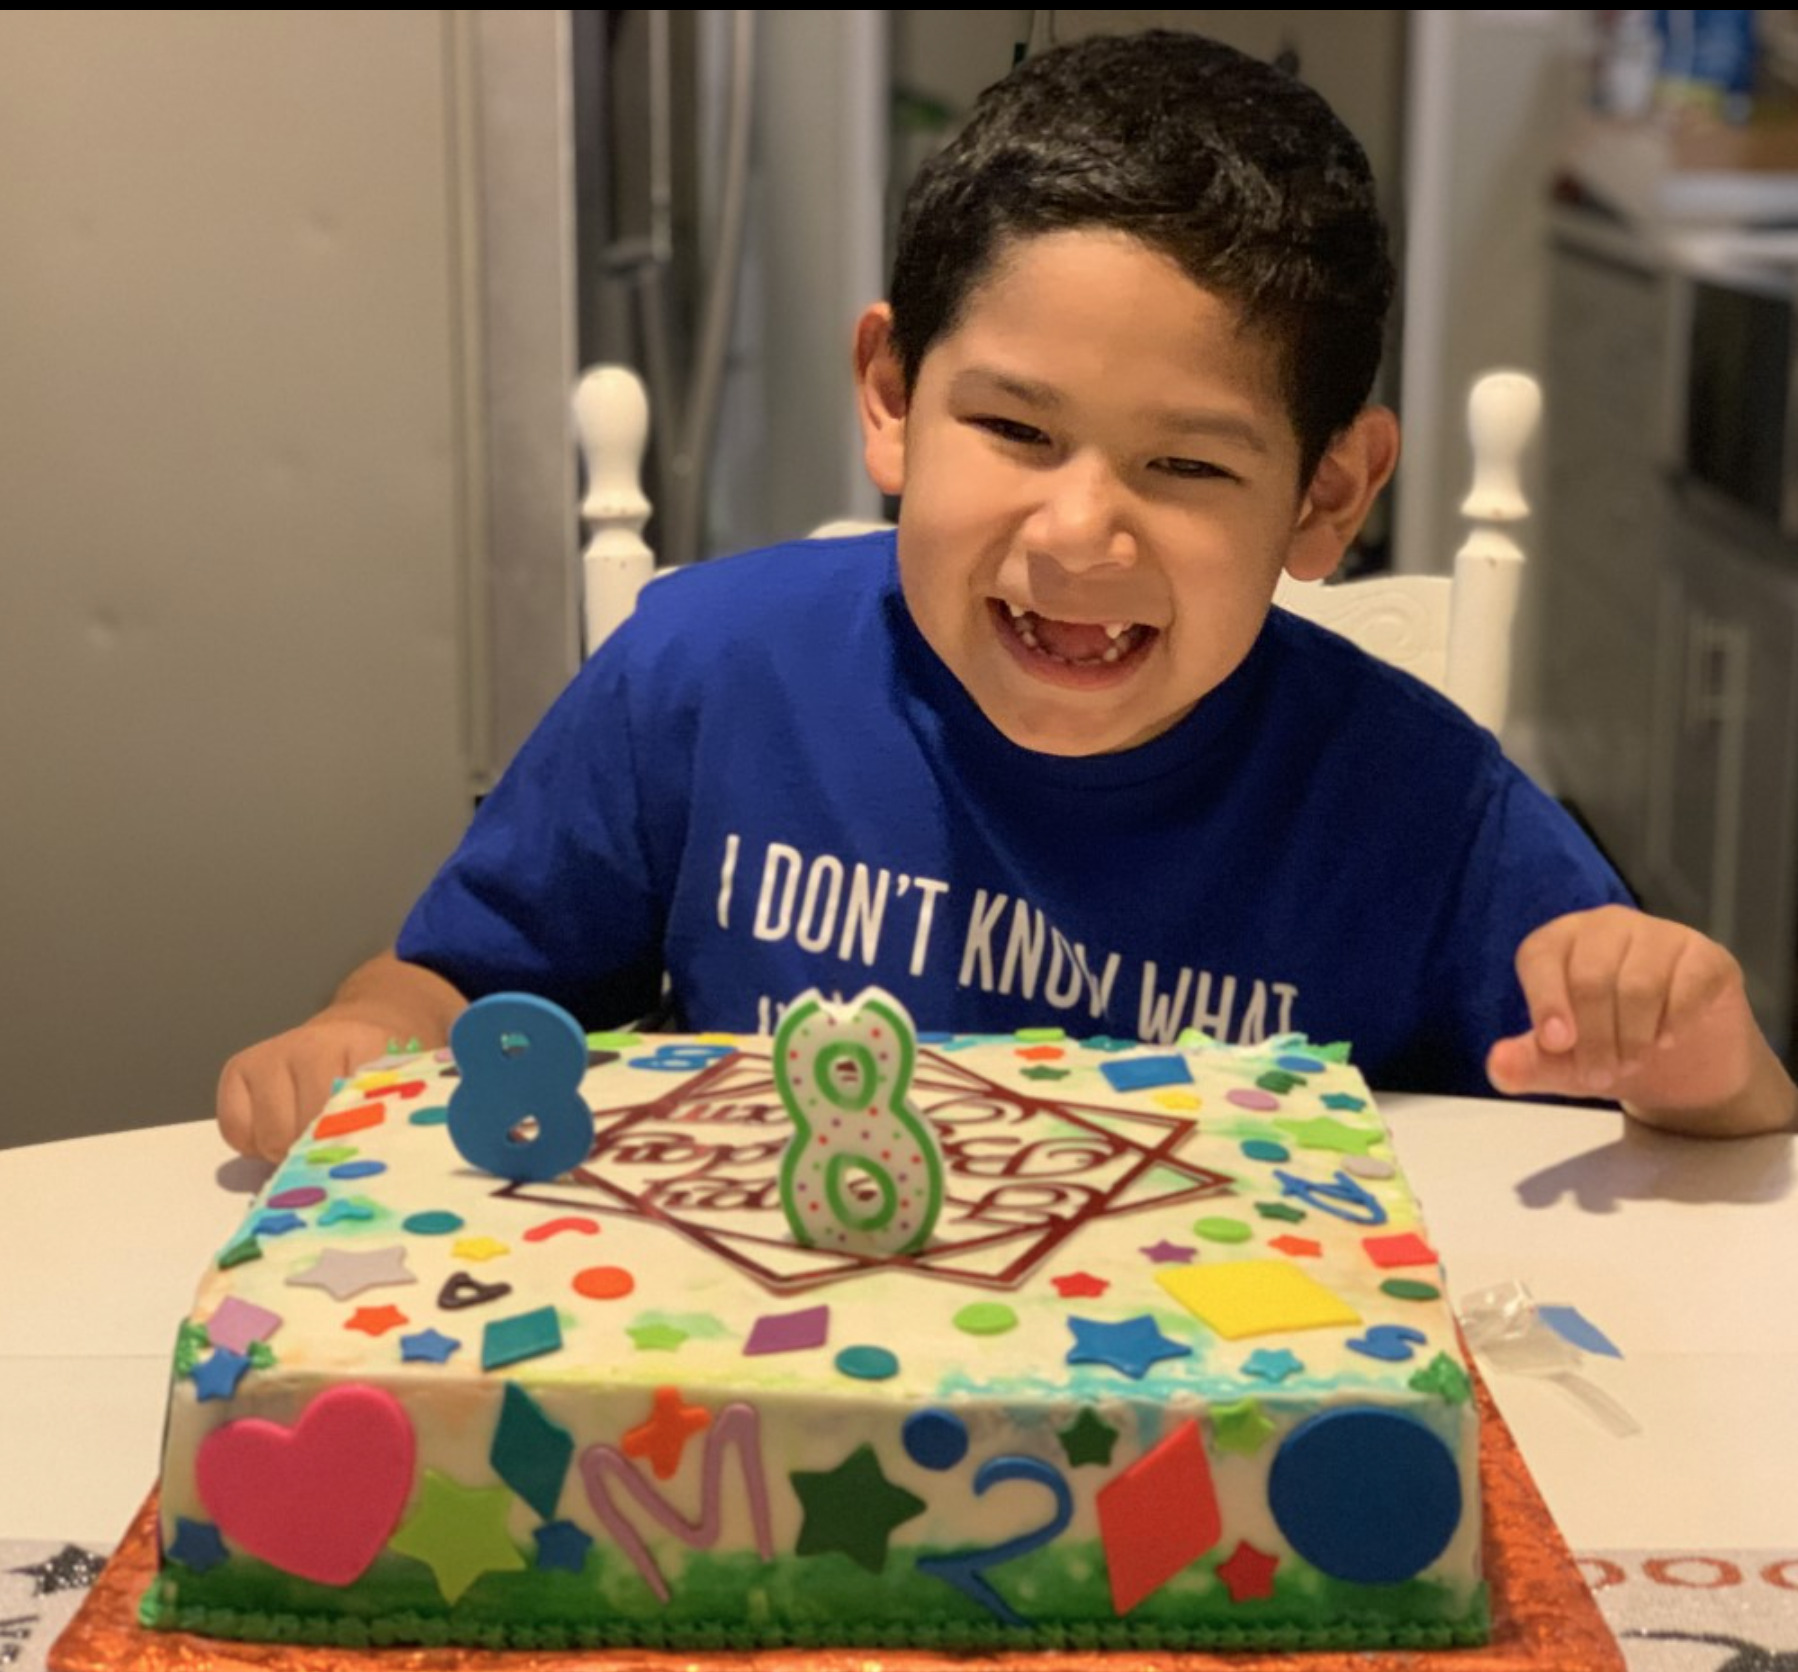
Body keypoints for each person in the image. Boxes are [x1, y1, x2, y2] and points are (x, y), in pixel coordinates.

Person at [217, 29, 1797, 1161]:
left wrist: (1697, 1059)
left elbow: (1691, 1121)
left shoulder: (1419, 806)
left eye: (1187, 467)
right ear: (892, 396)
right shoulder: (699, 677)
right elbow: (451, 984)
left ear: (1325, 496)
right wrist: (372, 1039)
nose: (1082, 531)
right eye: (1016, 430)